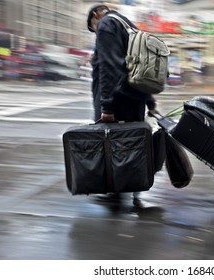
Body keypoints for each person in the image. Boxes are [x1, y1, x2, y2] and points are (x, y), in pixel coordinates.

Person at [87, 4, 157, 206]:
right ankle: (132, 186)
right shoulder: (127, 24)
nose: (95, 31)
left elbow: (109, 66)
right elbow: (138, 65)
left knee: (113, 143)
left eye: (93, 27)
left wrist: (106, 106)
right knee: (130, 143)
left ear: (95, 16)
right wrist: (148, 99)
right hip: (134, 96)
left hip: (118, 99)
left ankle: (116, 193)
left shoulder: (106, 24)